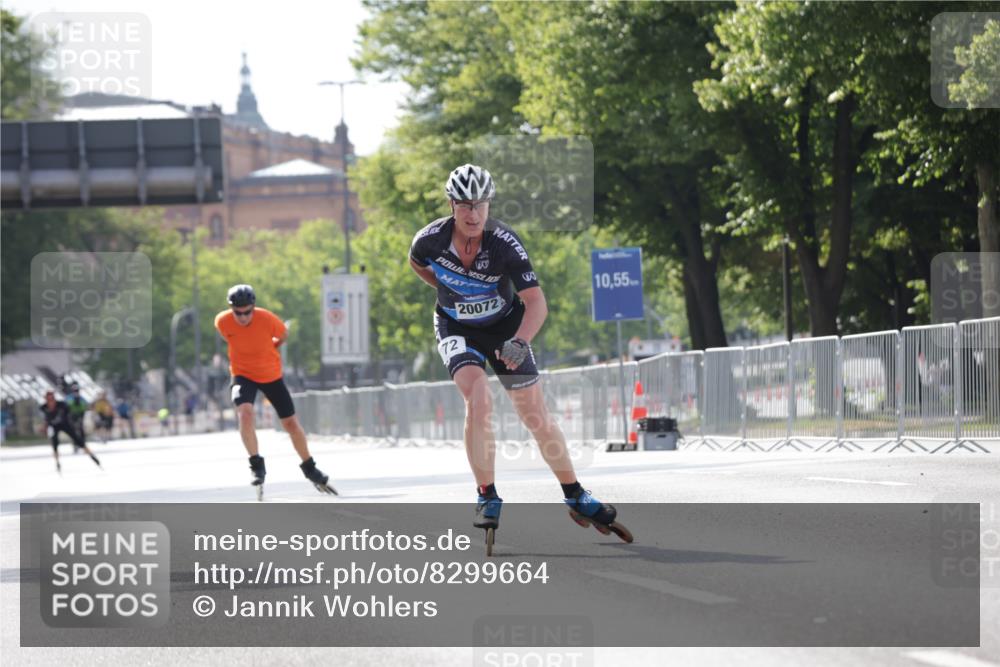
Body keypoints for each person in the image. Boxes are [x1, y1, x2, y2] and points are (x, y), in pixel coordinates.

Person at [408, 164, 631, 543]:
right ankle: (487, 496)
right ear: (451, 205)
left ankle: (575, 494)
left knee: (535, 415)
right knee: (478, 399)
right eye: (464, 205)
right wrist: (451, 293)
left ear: (489, 203)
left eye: (480, 204)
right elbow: (419, 267)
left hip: (507, 328)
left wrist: (520, 341)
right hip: (455, 326)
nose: (473, 213)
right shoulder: (427, 241)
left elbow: (536, 303)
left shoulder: (505, 243)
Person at [214, 284, 336, 497]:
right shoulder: (222, 322)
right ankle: (256, 465)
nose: (242, 317)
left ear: (253, 306)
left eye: (247, 312)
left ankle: (310, 467)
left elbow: (283, 334)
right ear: (231, 309)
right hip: (242, 374)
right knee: (244, 413)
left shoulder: (267, 319)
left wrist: (270, 347)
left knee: (290, 423)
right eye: (238, 312)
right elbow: (232, 337)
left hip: (271, 375)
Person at [39, 390, 101, 473]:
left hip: (65, 424)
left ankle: (92, 456)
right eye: (48, 398)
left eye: (51, 397)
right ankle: (57, 463)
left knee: (78, 440)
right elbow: (46, 419)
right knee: (54, 443)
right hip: (54, 426)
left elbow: (69, 413)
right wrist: (45, 427)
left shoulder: (61, 405)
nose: (50, 400)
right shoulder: (44, 407)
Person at [64, 383, 88, 452]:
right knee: (73, 430)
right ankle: (75, 444)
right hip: (72, 415)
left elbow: (85, 406)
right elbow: (67, 405)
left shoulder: (81, 398)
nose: (76, 392)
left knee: (81, 429)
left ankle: (83, 444)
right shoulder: (69, 397)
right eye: (75, 390)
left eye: (77, 390)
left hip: (80, 415)